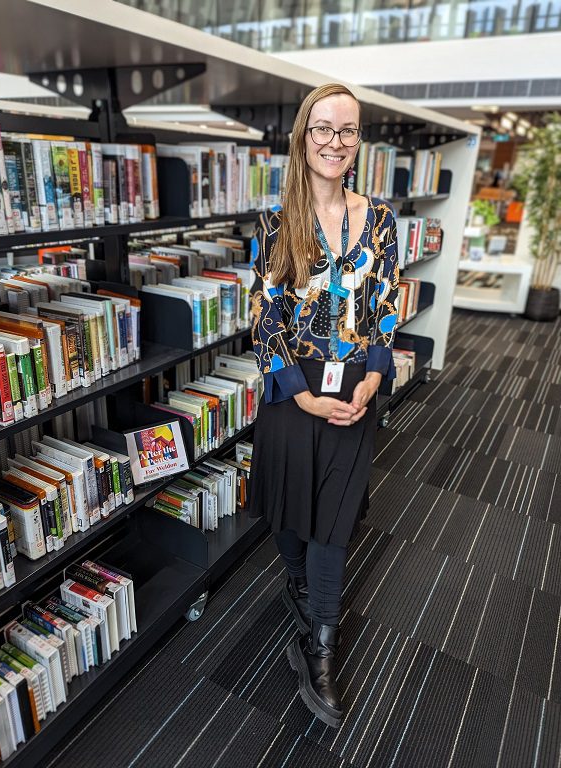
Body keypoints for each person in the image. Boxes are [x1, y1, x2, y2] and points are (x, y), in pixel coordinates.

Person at [248, 82, 399, 728]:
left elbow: (381, 309)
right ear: (303, 136)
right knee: (286, 513)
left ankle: (320, 650)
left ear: (358, 141)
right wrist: (303, 395)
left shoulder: (382, 220)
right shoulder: (277, 222)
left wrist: (369, 380)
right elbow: (265, 321)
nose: (335, 142)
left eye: (348, 131)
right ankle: (302, 588)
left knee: (332, 526)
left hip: (352, 389)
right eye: (324, 129)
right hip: (294, 392)